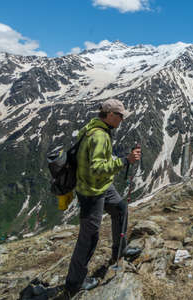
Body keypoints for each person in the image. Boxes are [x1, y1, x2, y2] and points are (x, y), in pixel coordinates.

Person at [62, 99, 142, 298]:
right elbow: (97, 168)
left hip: (102, 186)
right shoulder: (99, 136)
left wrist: (120, 160)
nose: (122, 120)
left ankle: (119, 252)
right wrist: (125, 161)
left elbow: (97, 161)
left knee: (121, 209)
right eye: (120, 116)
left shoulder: (94, 127)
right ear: (111, 115)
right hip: (92, 191)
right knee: (89, 237)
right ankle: (74, 283)